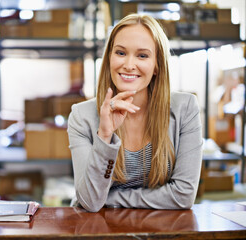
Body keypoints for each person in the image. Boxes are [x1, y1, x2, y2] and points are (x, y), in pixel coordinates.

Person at [67, 13, 203, 212]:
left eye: (142, 55)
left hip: (159, 228)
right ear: (109, 58)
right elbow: (90, 202)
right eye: (120, 53)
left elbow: (183, 196)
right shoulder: (82, 116)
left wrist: (112, 198)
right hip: (99, 227)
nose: (129, 65)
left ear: (157, 65)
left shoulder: (185, 108)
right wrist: (105, 136)